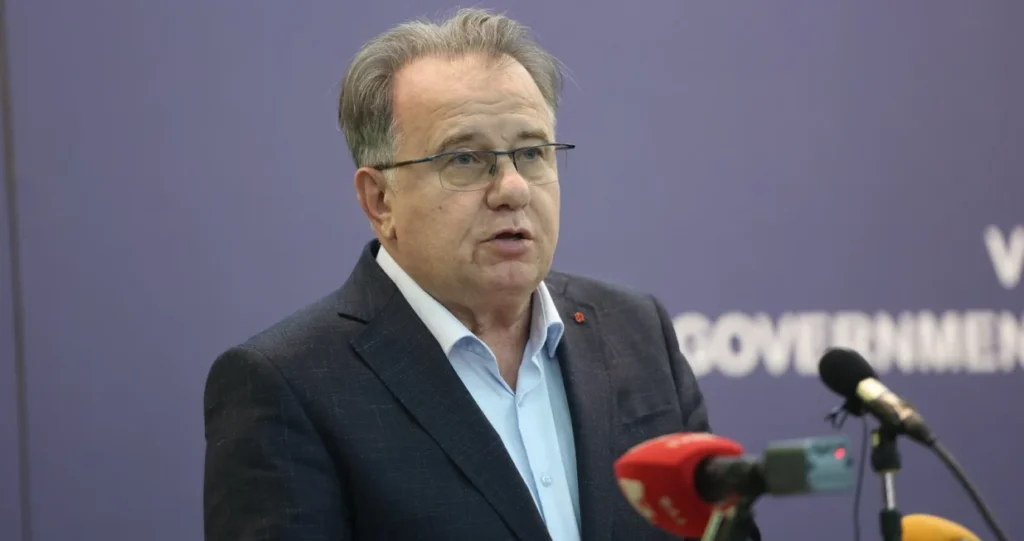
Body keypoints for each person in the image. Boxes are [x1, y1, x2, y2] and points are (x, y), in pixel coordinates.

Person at [203, 8, 733, 541]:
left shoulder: (636, 331)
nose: (513, 189)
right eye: (464, 159)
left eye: (532, 153)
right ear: (380, 200)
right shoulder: (288, 386)